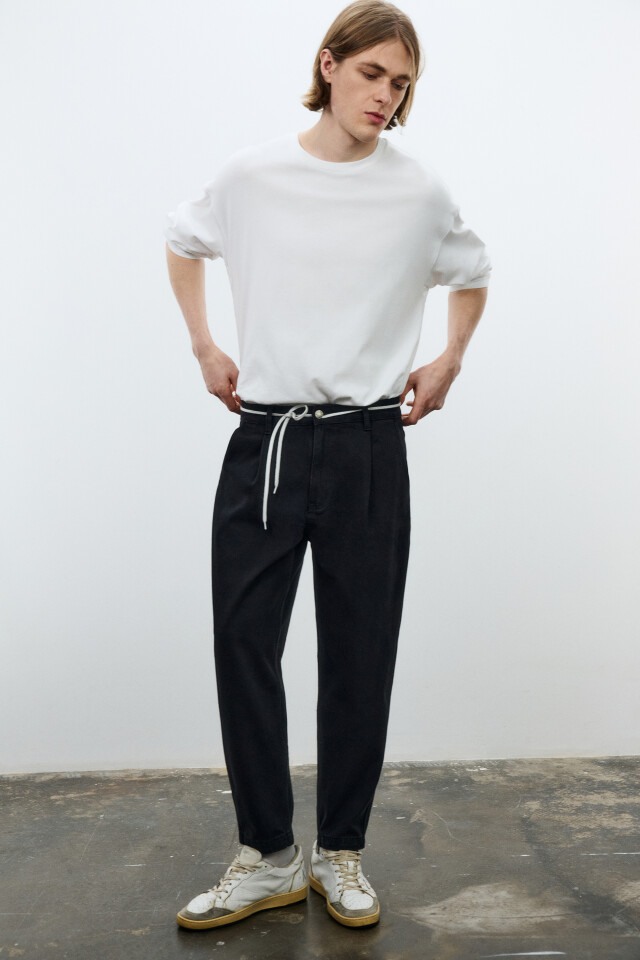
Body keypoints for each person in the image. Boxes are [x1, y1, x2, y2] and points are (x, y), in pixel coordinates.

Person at [164, 0, 491, 931]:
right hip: (265, 442)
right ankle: (268, 856)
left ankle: (340, 851)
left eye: (402, 83)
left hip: (367, 444)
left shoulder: (418, 193)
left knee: (359, 652)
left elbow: (474, 272)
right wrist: (205, 347)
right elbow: (183, 241)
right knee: (244, 646)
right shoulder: (252, 176)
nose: (386, 95)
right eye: (373, 73)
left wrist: (448, 360)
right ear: (330, 64)